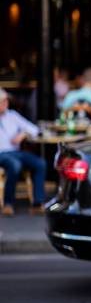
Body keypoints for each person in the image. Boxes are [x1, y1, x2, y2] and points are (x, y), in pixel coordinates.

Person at [0, 88, 47, 216]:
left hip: (15, 152)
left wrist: (23, 134)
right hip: (1, 154)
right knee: (15, 165)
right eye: (1, 101)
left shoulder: (12, 115)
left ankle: (38, 203)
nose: (5, 104)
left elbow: (34, 129)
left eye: (5, 101)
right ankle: (8, 203)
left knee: (40, 163)